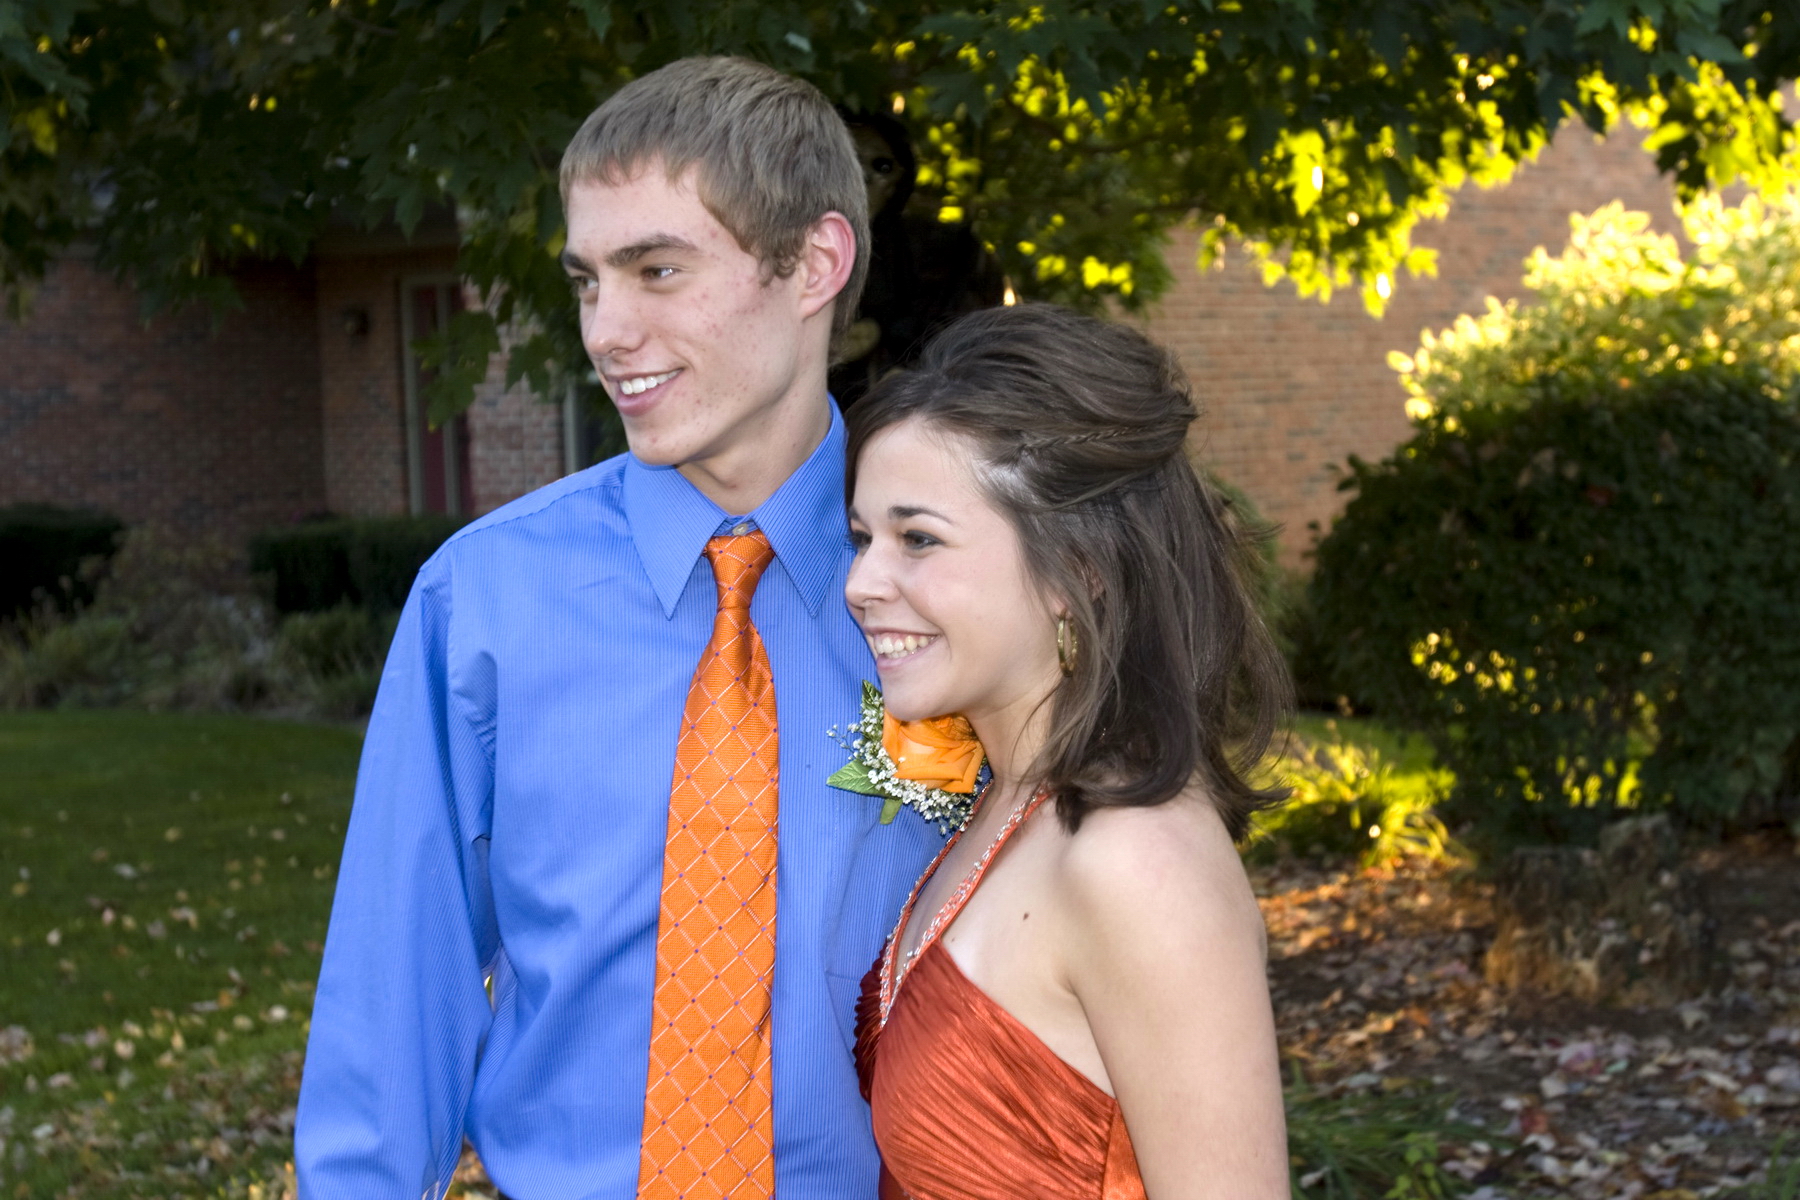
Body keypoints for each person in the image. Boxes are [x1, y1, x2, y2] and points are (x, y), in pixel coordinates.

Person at [294, 57, 946, 1199]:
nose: (607, 331)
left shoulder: (958, 589)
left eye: (657, 270)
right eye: (589, 281)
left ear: (815, 264)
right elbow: (393, 1010)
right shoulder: (481, 602)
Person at [844, 303, 1293, 1199]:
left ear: (1076, 569)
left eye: (918, 538)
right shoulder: (1009, 801)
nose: (861, 582)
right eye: (862, 538)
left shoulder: (1137, 860)